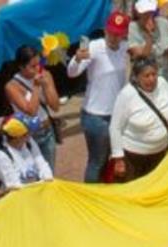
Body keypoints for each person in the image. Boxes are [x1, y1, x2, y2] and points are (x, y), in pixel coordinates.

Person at [68, 14, 131, 183]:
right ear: (105, 30)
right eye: (111, 32)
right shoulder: (95, 47)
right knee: (97, 161)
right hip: (95, 115)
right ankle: (90, 195)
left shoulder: (125, 47)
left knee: (114, 156)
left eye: (118, 33)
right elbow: (72, 72)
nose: (114, 37)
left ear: (124, 34)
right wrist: (77, 59)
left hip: (116, 114)